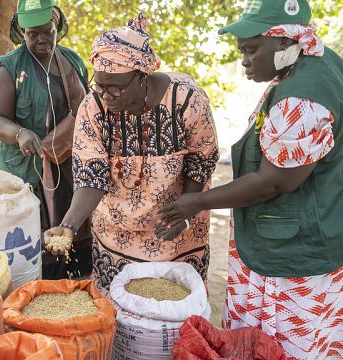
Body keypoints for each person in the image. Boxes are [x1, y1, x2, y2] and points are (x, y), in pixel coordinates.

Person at [159, 1, 343, 358]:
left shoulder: (302, 96)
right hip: (333, 220)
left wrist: (198, 201)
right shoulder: (323, 61)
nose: (244, 61)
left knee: (283, 344)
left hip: (299, 248)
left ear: (283, 40)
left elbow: (276, 182)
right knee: (320, 340)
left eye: (250, 50)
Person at [44, 13, 219, 293]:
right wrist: (70, 225)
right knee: (117, 313)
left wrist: (184, 214)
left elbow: (201, 160)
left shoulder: (187, 100)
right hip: (116, 237)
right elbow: (92, 175)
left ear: (142, 76)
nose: (105, 96)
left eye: (114, 88)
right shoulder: (94, 108)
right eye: (98, 85)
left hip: (176, 231)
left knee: (173, 314)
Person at [0, 0, 92, 279]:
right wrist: (20, 133)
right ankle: (36, 286)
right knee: (31, 233)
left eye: (48, 31)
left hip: (68, 162)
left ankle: (72, 284)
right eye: (33, 34)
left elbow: (87, 106)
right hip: (26, 166)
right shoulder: (8, 69)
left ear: (58, 27)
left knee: (72, 226)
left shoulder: (71, 61)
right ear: (22, 32)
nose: (42, 39)